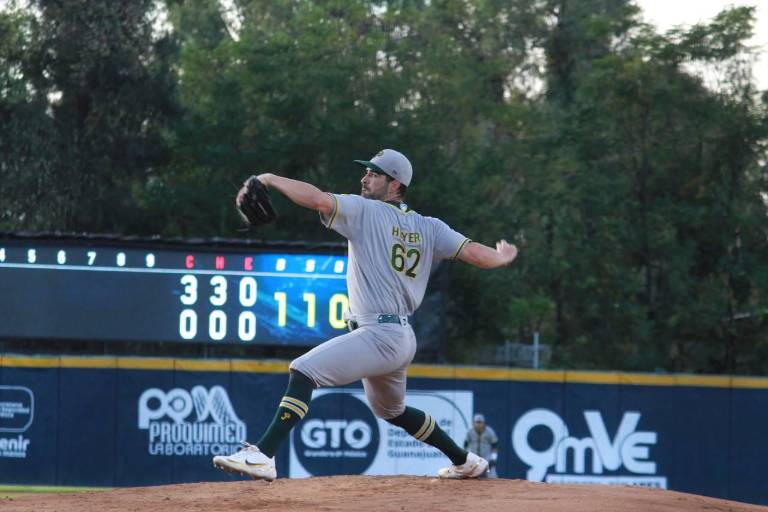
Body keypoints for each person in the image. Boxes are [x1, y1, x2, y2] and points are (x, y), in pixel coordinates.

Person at [213, 149, 518, 481]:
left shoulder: (365, 211)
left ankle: (263, 455)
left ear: (395, 183)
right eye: (367, 172)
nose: (364, 177)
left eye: (374, 173)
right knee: (392, 411)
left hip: (378, 335)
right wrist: (501, 258)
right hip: (401, 337)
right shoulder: (429, 227)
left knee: (303, 371)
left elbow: (317, 199)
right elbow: (474, 252)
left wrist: (268, 179)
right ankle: (466, 461)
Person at [464, 413, 499, 478]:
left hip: (486, 458)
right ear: (473, 423)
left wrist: (493, 459)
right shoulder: (470, 432)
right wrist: (466, 457)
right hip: (473, 458)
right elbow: (466, 445)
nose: (478, 424)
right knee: (467, 476)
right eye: (477, 422)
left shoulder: (490, 432)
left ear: (484, 423)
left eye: (480, 422)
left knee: (492, 476)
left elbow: (495, 446)